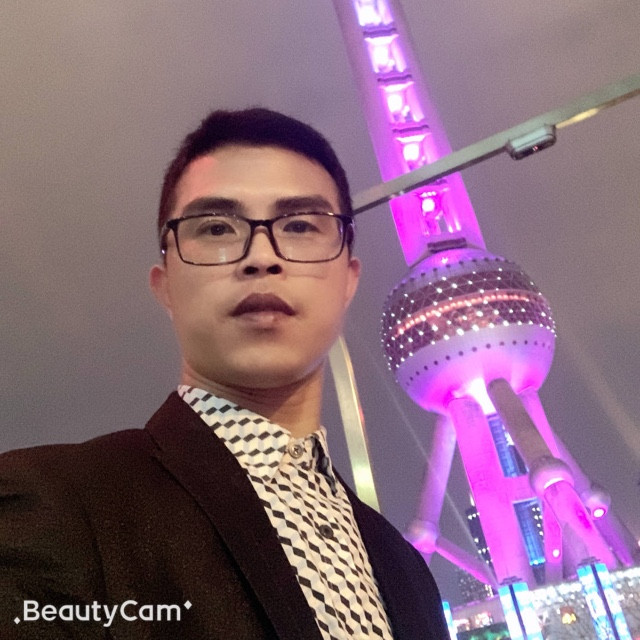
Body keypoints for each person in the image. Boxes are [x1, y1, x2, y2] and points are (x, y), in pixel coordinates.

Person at [0, 108, 448, 639]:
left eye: (299, 226)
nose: (261, 258)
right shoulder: (53, 509)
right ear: (165, 284)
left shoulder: (405, 570)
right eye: (216, 228)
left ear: (349, 279)